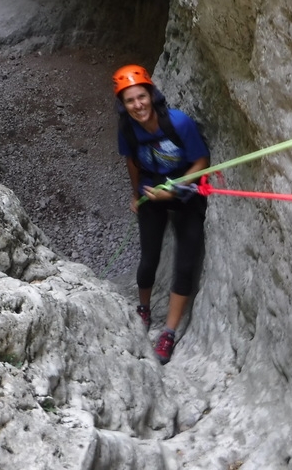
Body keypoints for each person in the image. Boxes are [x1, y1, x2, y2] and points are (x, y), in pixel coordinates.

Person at [112, 64, 209, 364]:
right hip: (151, 192)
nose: (137, 105)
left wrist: (176, 190)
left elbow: (201, 161)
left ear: (151, 95)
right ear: (123, 105)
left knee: (185, 264)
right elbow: (132, 162)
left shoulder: (179, 123)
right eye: (130, 100)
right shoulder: (128, 129)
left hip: (186, 193)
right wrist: (136, 194)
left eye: (141, 97)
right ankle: (144, 309)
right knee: (149, 258)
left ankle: (168, 332)